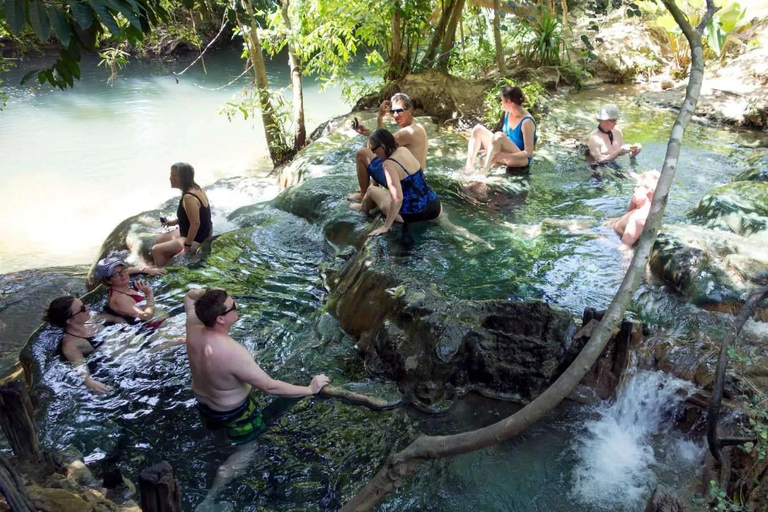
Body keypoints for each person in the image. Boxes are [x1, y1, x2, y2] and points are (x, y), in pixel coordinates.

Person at [184, 288, 330, 510]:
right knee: (247, 450)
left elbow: (189, 295)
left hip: (204, 405)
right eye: (234, 306)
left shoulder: (193, 328)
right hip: (235, 412)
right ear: (221, 319)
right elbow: (270, 386)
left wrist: (209, 296)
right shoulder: (233, 352)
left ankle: (219, 448)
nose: (238, 307)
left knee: (218, 435)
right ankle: (210, 499)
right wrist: (310, 389)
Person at [352, 128, 442, 236]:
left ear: (383, 147)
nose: (373, 153)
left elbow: (397, 198)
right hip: (435, 207)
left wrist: (386, 226)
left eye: (374, 150)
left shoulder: (388, 165)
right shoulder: (404, 150)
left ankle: (362, 208)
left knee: (371, 190)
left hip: (411, 214)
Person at [348, 93, 429, 202]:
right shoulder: (417, 126)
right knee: (382, 156)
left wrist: (380, 117)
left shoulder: (408, 132)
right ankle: (372, 189)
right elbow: (385, 141)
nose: (395, 115)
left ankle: (364, 195)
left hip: (405, 182)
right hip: (414, 179)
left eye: (399, 110)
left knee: (362, 154)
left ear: (410, 110)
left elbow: (377, 145)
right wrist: (369, 133)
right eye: (392, 111)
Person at [44, 296, 111, 394]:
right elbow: (82, 370)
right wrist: (90, 382)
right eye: (82, 309)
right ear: (70, 321)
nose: (87, 307)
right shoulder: (71, 345)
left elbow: (116, 318)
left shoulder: (91, 318)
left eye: (83, 304)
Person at [463, 86, 537, 174]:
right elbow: (505, 137)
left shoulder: (526, 122)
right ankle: (469, 167)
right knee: (478, 129)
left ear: (509, 102)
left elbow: (528, 153)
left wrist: (504, 155)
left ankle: (484, 171)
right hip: (504, 152)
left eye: (502, 101)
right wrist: (492, 149)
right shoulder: (508, 112)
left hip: (520, 159)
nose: (501, 103)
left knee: (498, 136)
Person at [151, 162, 213, 267]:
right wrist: (175, 222)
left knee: (156, 250)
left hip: (197, 239)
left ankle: (162, 275)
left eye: (174, 175)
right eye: (171, 175)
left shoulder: (189, 197)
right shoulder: (195, 188)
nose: (170, 178)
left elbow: (196, 223)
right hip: (196, 232)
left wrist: (187, 246)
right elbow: (194, 214)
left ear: (183, 178)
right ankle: (167, 262)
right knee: (159, 239)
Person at [94, 257, 164, 326]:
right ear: (108, 280)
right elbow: (146, 317)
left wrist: (144, 270)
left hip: (159, 318)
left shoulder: (120, 286)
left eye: (124, 270)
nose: (123, 275)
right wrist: (149, 294)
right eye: (115, 274)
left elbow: (126, 271)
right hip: (154, 327)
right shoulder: (120, 299)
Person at [608, 170, 660, 248]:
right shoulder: (650, 212)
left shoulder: (639, 219)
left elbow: (624, 248)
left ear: (650, 192)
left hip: (611, 234)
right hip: (612, 227)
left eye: (638, 187)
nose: (634, 190)